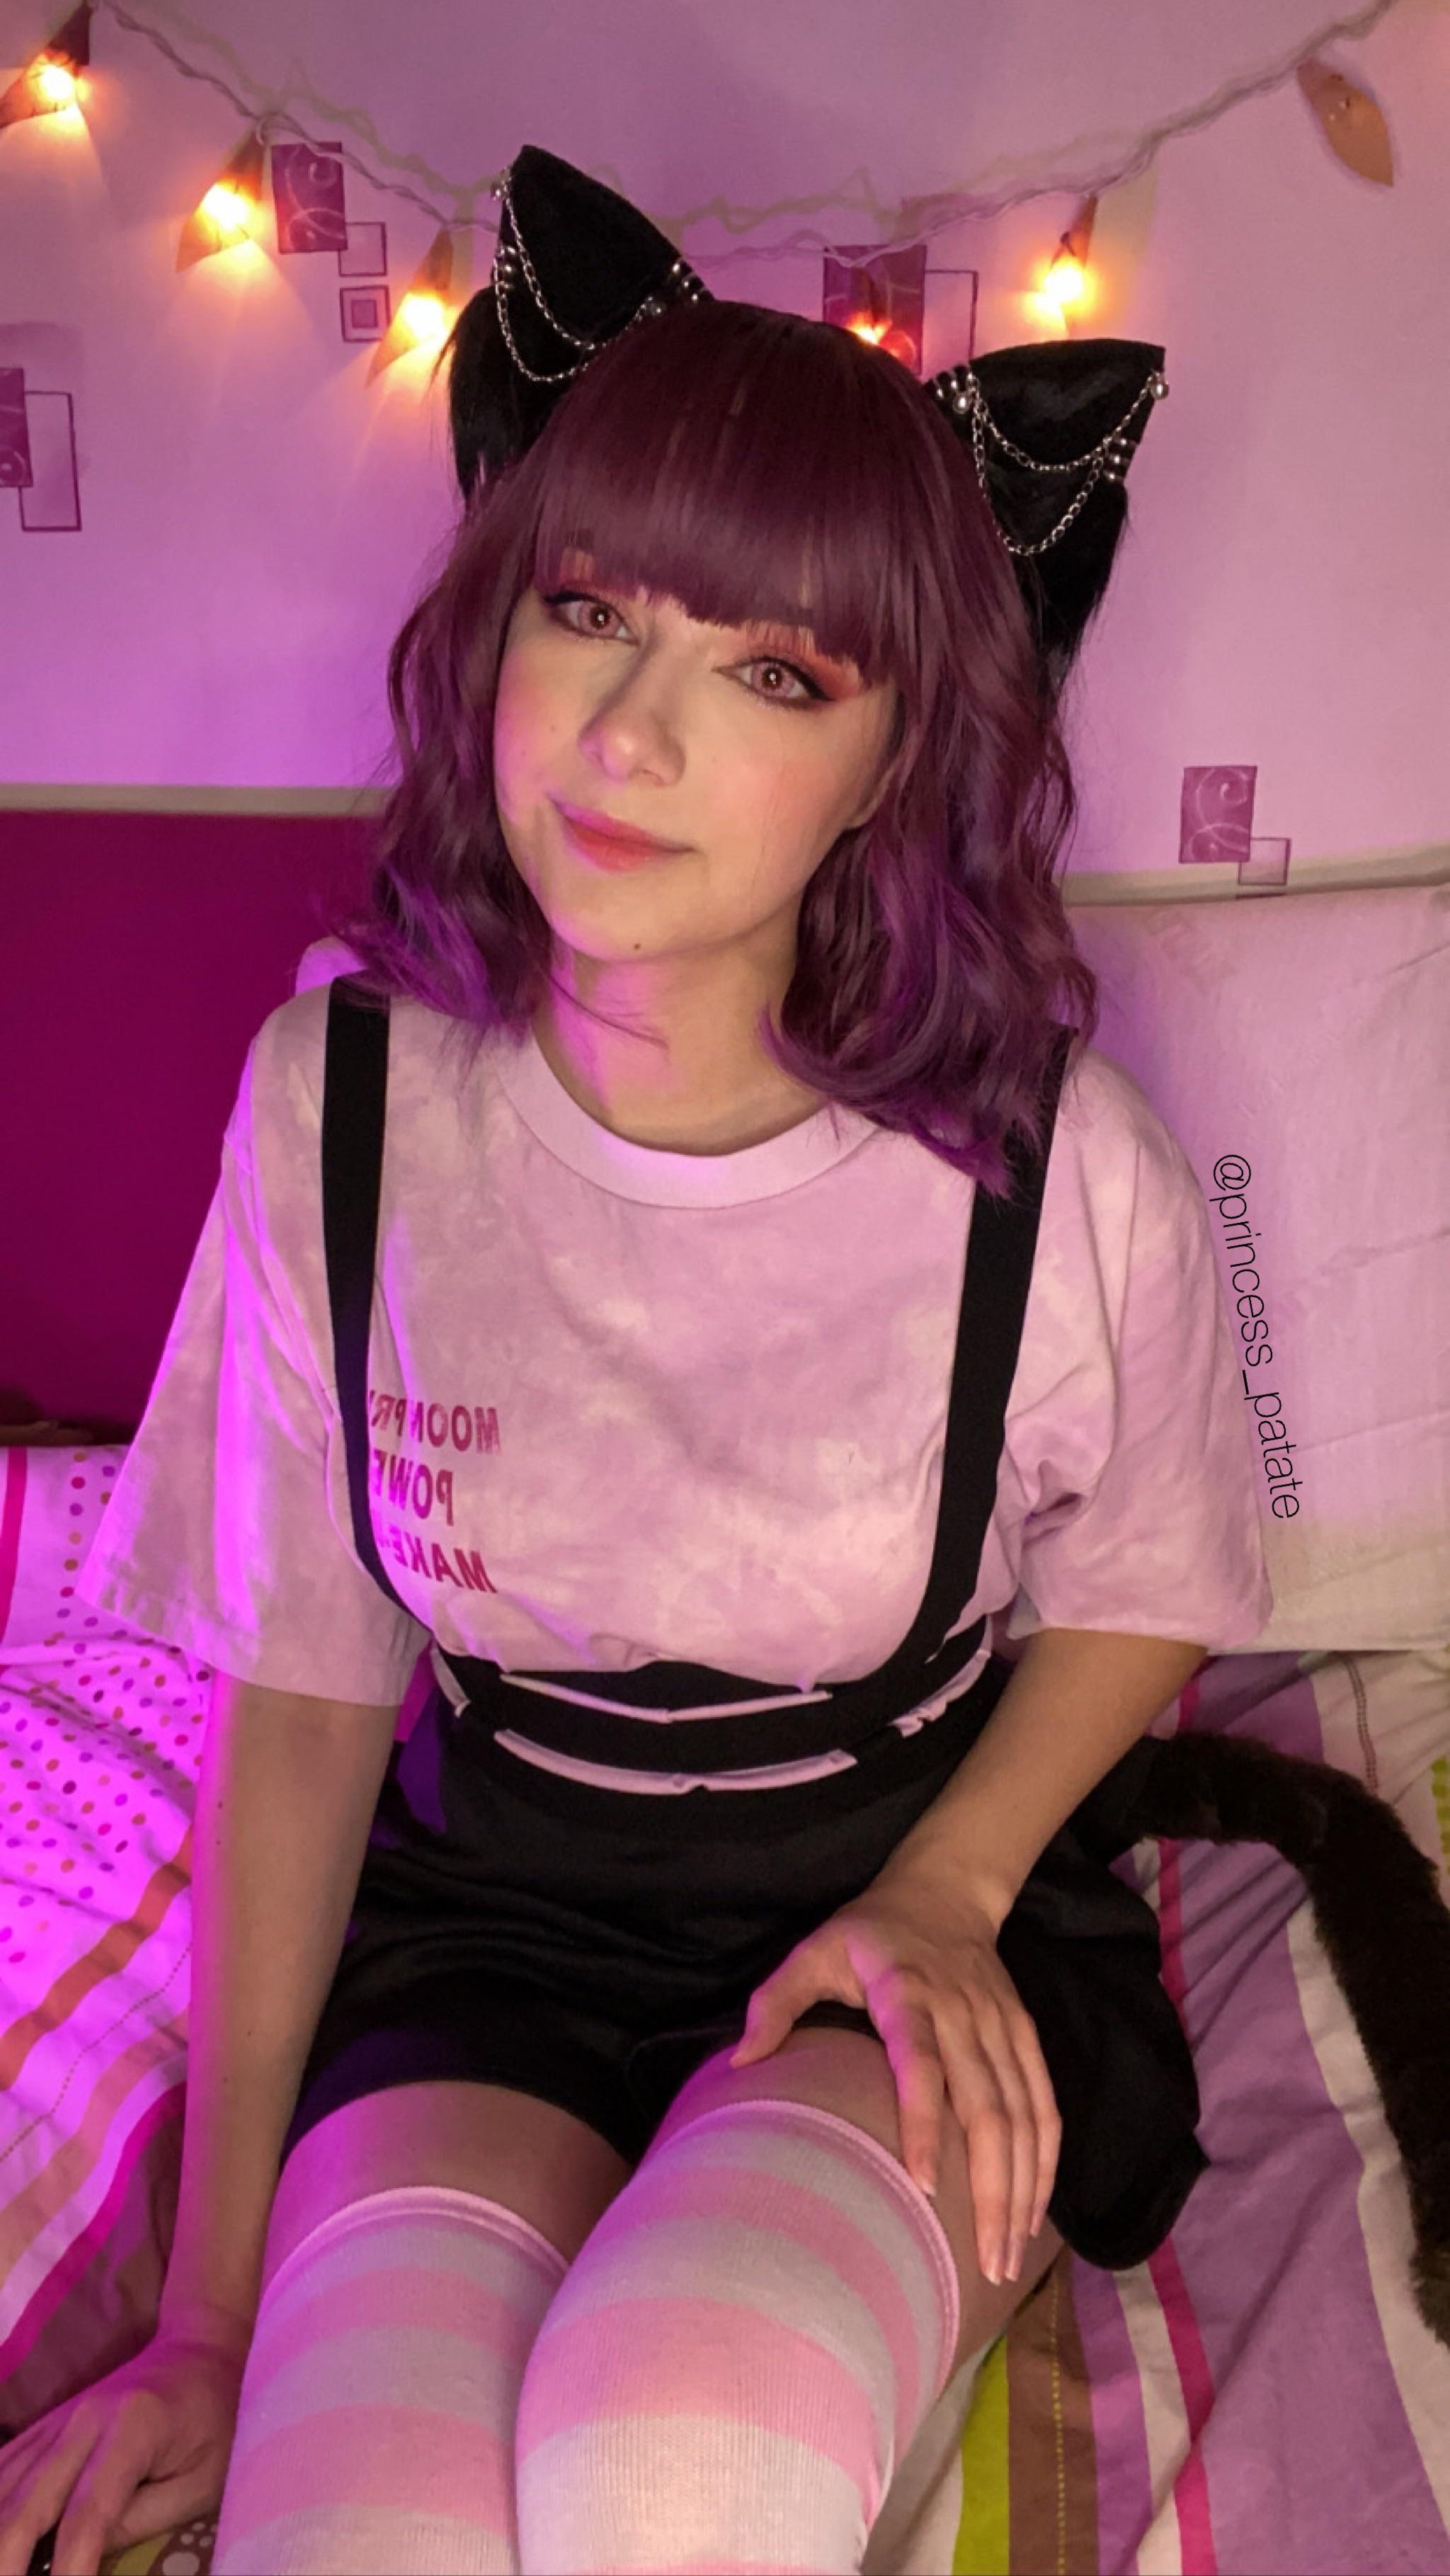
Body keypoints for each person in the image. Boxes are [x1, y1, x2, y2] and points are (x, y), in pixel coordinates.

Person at [0, 276, 1269, 2576]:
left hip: (893, 1902)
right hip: (492, 1924)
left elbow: (1155, 1579)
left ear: (898, 757)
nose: (627, 735)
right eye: (588, 612)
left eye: (773, 673)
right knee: (364, 2535)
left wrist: (952, 1885)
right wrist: (206, 2317)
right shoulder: (341, 1107)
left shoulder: (1056, 1171)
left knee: (674, 2464)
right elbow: (308, 1690)